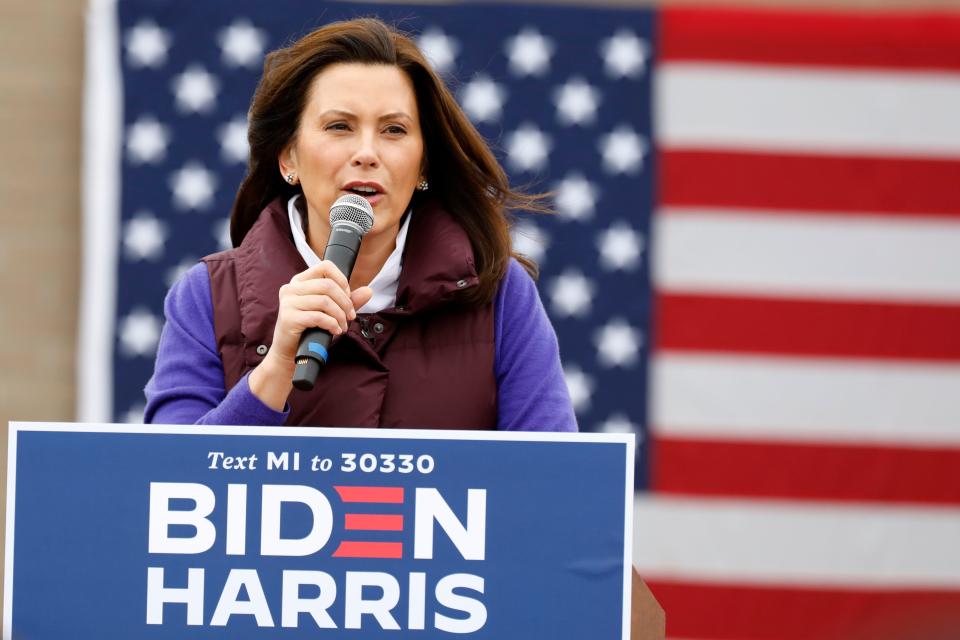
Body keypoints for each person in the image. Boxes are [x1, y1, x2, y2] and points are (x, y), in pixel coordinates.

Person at [144, 18, 576, 432]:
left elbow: (553, 484)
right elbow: (166, 482)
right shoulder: (206, 297)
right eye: (339, 126)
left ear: (423, 163)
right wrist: (275, 368)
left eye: (393, 129)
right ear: (288, 157)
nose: (367, 153)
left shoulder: (500, 295)